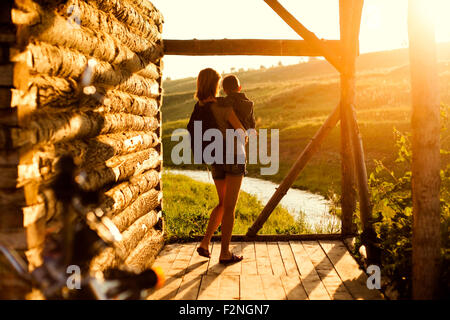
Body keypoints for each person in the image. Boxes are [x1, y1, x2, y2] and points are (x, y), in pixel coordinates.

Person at [194, 68, 247, 264]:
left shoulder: (199, 106)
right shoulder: (223, 107)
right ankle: (225, 252)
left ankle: (205, 243)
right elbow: (242, 132)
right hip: (233, 158)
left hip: (215, 159)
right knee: (230, 207)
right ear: (215, 85)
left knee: (222, 203)